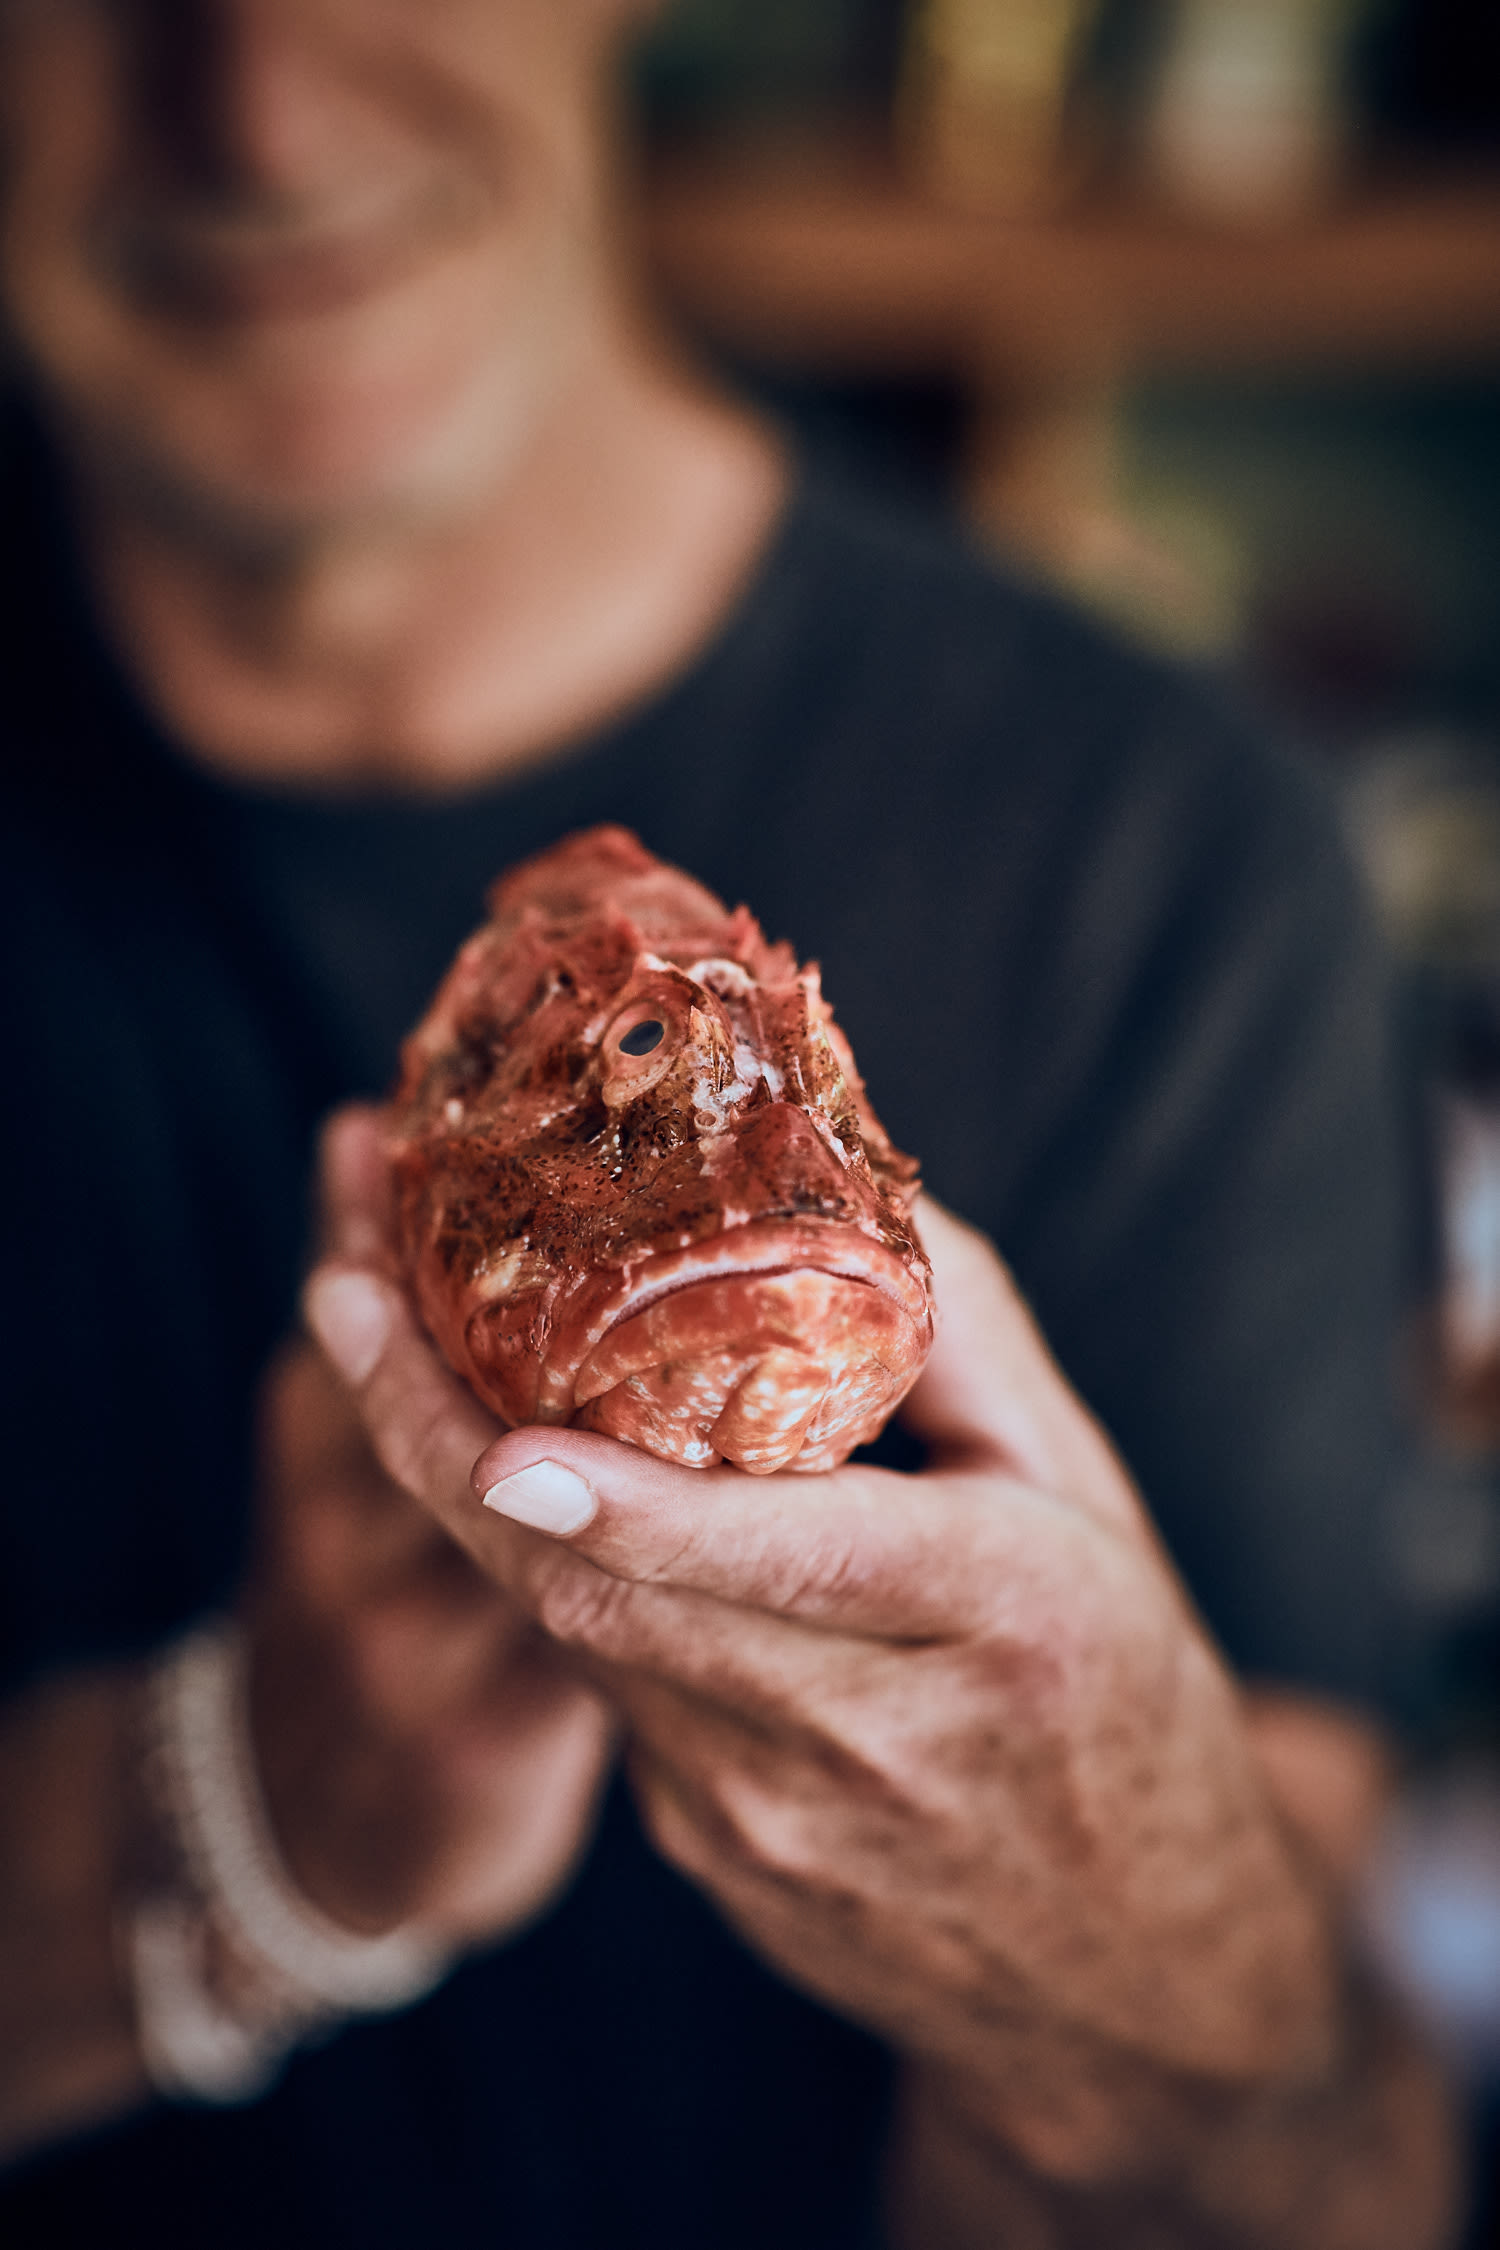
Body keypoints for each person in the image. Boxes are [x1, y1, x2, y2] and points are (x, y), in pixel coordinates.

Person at [0, 1, 1458, 2243]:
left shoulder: (1180, 863)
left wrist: (1150, 1985)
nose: (260, 110)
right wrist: (231, 1829)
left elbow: (1333, 2191)